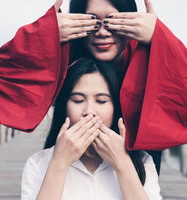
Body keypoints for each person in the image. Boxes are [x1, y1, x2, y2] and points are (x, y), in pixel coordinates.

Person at [0, 0, 187, 158]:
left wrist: (159, 37)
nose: (103, 32)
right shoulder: (65, 58)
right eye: (93, 21)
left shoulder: (146, 55)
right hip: (67, 162)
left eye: (113, 21)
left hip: (137, 163)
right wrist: (43, 35)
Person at [21, 57, 162, 200]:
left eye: (101, 101)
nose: (89, 111)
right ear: (64, 108)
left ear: (116, 109)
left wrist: (123, 163)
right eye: (78, 100)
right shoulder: (38, 163)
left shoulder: (143, 161)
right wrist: (59, 163)